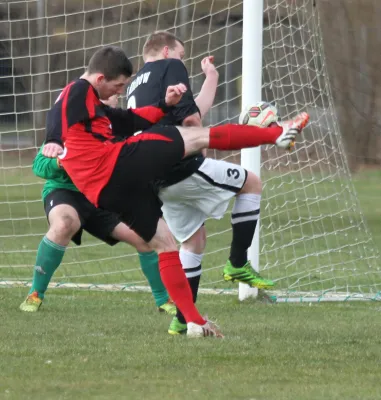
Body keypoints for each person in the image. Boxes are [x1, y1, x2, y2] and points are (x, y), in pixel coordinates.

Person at [43, 45, 309, 338]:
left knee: (166, 243)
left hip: (106, 191)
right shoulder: (78, 90)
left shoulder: (95, 106)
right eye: (117, 86)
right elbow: (57, 114)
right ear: (100, 79)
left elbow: (132, 121)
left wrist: (165, 105)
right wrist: (53, 139)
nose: (117, 91)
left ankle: (194, 322)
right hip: (114, 165)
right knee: (195, 137)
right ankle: (277, 134)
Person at [126, 31, 275, 335]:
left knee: (193, 240)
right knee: (251, 183)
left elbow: (191, 112)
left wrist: (211, 77)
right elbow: (192, 122)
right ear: (167, 51)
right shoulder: (171, 66)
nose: (182, 61)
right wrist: (202, 146)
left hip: (154, 176)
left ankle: (182, 318)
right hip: (178, 163)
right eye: (181, 55)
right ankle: (236, 262)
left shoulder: (135, 84)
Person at [19, 95, 175, 315]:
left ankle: (163, 300)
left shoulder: (118, 132)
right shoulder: (71, 128)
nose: (109, 104)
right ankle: (35, 293)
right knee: (64, 223)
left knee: (144, 236)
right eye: (103, 100)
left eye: (112, 101)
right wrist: (61, 162)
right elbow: (39, 165)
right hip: (66, 193)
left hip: (103, 196)